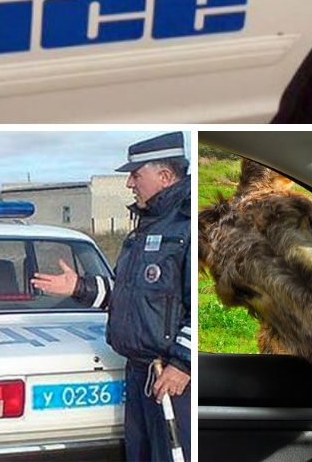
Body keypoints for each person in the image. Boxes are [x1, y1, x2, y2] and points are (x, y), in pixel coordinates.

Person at [32, 132, 191, 462]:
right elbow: (129, 295)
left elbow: (202, 302)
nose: (130, 183)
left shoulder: (188, 226)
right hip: (140, 374)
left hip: (171, 381)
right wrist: (79, 286)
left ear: (164, 176)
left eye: (136, 174)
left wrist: (182, 364)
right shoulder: (145, 226)